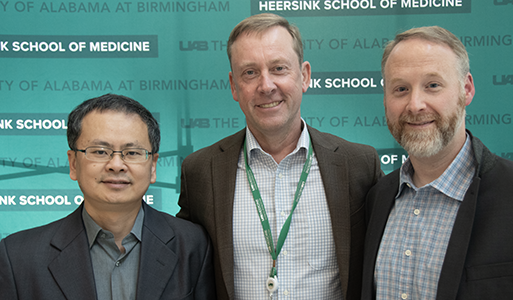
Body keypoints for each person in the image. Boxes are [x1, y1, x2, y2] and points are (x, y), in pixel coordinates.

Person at [177, 13, 383, 300]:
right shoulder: (200, 171)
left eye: (278, 68)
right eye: (250, 72)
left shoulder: (359, 165)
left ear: (305, 76)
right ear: (234, 86)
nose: (266, 85)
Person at [361, 26, 513, 300]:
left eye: (432, 85)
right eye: (400, 89)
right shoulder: (376, 198)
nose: (415, 104)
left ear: (466, 89)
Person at [0, 94, 216, 300]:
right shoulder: (18, 257)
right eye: (100, 151)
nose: (116, 165)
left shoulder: (193, 246)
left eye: (132, 153)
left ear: (152, 167)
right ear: (73, 163)